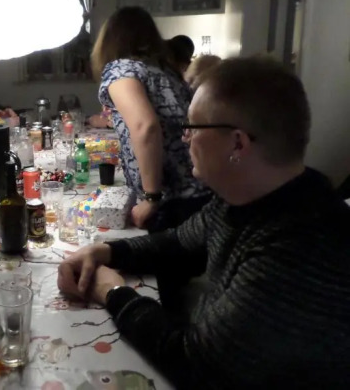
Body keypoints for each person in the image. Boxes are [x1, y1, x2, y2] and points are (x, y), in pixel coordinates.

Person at [58, 56, 350, 389]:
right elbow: (179, 242)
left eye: (193, 127)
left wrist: (111, 291)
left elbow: (196, 364)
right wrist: (105, 251)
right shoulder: (246, 195)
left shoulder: (296, 247)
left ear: (237, 143)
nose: (185, 138)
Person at [92, 7, 210, 230]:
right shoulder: (166, 70)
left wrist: (151, 197)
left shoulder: (121, 69)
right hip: (200, 189)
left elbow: (145, 127)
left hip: (171, 201)